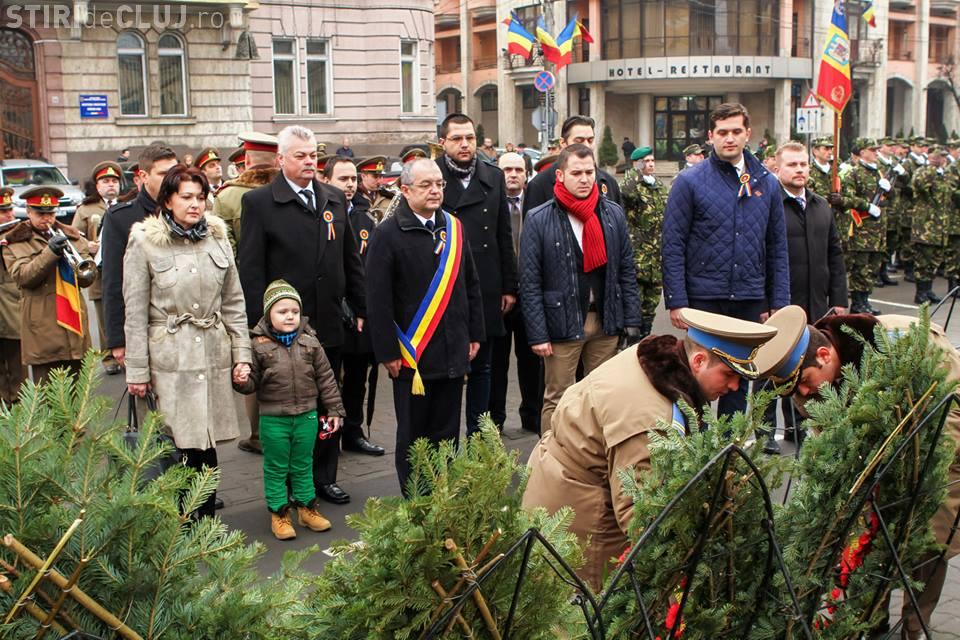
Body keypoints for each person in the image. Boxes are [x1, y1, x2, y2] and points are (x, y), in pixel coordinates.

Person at [522, 308, 779, 589]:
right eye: (729, 374)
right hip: (580, 518)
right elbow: (642, 516)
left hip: (560, 483)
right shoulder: (649, 420)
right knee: (590, 607)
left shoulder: (655, 360)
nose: (734, 386)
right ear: (698, 361)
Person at [788, 312, 960, 640]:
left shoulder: (907, 343)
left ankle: (914, 626)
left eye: (807, 382)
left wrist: (913, 471)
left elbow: (949, 414)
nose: (806, 392)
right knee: (860, 535)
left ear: (825, 356)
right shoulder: (807, 375)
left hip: (934, 448)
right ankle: (868, 623)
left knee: (929, 537)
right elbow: (827, 434)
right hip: (875, 458)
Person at [238, 125, 365, 506]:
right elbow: (252, 270)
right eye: (301, 156)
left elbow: (349, 258)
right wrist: (258, 327)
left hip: (328, 321)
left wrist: (360, 306)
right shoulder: (260, 202)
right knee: (291, 410)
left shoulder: (332, 197)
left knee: (328, 401)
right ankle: (292, 483)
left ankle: (324, 477)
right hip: (284, 328)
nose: (310, 162)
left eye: (313, 156)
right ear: (281, 160)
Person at [123, 165, 250, 520]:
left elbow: (234, 302)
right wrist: (137, 371)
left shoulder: (217, 237)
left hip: (211, 354)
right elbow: (134, 311)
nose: (195, 204)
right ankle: (174, 525)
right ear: (168, 200)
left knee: (206, 445)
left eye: (201, 197)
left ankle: (205, 522)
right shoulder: (144, 242)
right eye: (186, 197)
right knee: (174, 444)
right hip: (169, 360)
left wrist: (242, 354)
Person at [661, 102, 790, 417]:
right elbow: (673, 243)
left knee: (739, 378)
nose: (729, 138)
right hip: (704, 297)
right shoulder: (690, 182)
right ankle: (697, 441)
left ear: (748, 134)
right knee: (698, 375)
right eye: (722, 132)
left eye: (735, 131)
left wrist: (779, 302)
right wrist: (677, 300)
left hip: (748, 296)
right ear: (710, 136)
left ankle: (730, 444)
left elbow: (777, 246)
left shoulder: (767, 183)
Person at [366, 158, 484, 494]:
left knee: (447, 433)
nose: (435, 191)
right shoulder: (387, 234)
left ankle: (445, 496)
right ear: (405, 190)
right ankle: (415, 500)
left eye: (439, 184)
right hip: (412, 357)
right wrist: (387, 351)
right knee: (414, 436)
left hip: (453, 348)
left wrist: (475, 333)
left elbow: (470, 283)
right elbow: (377, 298)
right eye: (426, 185)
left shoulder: (454, 228)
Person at [520, 144, 641, 432]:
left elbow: (626, 270)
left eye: (589, 172)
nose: (585, 179)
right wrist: (538, 334)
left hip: (606, 321)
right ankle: (550, 455)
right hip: (561, 322)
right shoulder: (539, 218)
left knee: (602, 397)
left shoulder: (612, 214)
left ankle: (592, 454)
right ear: (560, 175)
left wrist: (632, 321)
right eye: (576, 173)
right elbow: (530, 281)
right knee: (558, 398)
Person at [234, 280, 344, 540]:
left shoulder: (310, 342)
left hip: (307, 416)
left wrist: (334, 410)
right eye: (282, 311)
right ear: (268, 315)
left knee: (303, 465)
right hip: (273, 420)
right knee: (276, 468)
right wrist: (241, 380)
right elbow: (251, 384)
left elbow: (327, 379)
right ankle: (279, 514)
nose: (290, 316)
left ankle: (307, 509)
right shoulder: (257, 345)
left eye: (295, 311)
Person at [436, 113, 518, 436]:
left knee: (484, 367)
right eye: (457, 138)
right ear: (443, 142)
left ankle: (479, 437)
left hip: (486, 285)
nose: (465, 144)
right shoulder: (434, 177)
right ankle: (445, 440)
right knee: (449, 370)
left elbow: (503, 236)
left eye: (469, 137)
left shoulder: (493, 176)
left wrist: (509, 286)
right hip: (445, 286)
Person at [321, 156, 384, 456]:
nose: (349, 185)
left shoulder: (364, 218)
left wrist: (365, 307)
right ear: (326, 180)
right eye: (342, 179)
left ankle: (353, 432)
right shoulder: (321, 213)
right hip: (331, 309)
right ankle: (327, 437)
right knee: (329, 379)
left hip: (360, 310)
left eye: (352, 179)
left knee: (358, 376)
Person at [2, 186, 94, 383]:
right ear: (28, 212)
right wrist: (50, 253)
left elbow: (86, 277)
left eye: (51, 214)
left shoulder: (72, 235)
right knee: (48, 394)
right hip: (43, 332)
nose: (47, 219)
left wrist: (85, 269)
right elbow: (23, 277)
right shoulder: (15, 242)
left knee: (80, 394)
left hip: (75, 328)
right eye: (40, 214)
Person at [101, 144, 179, 370]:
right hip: (147, 326)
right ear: (144, 176)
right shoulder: (121, 218)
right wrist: (118, 340)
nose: (171, 180)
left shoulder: (188, 211)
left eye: (175, 173)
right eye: (163, 174)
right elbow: (114, 281)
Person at [489, 152, 543, 434]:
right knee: (496, 363)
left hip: (531, 296)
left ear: (526, 175)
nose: (512, 174)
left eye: (518, 170)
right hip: (500, 296)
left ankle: (532, 416)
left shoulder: (538, 205)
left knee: (532, 361)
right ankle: (495, 420)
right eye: (507, 169)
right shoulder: (489, 205)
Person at [777, 141, 848, 321]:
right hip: (782, 305)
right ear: (777, 170)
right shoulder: (769, 205)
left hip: (817, 303)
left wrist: (838, 299)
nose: (799, 170)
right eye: (792, 165)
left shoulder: (821, 205)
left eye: (803, 164)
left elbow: (834, 254)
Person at [73, 161, 122, 375]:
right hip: (101, 272)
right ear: (97, 185)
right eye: (106, 181)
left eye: (114, 181)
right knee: (105, 315)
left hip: (125, 269)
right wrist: (87, 246)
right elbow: (74, 237)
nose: (111, 185)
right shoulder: (86, 209)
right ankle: (108, 356)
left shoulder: (126, 206)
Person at [838, 138, 892, 315]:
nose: (876, 153)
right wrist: (867, 206)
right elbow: (847, 198)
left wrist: (889, 190)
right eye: (872, 150)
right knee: (860, 268)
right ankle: (857, 303)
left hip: (878, 229)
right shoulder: (854, 173)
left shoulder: (879, 173)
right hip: (862, 230)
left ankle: (865, 300)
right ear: (862, 152)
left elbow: (888, 199)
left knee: (873, 268)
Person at [524, 116, 622, 213]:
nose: (587, 146)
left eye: (590, 140)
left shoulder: (609, 183)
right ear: (563, 143)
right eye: (579, 141)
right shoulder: (539, 185)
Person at [620, 145, 667, 337]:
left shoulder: (659, 186)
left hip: (656, 259)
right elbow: (625, 193)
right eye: (646, 161)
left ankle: (646, 336)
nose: (650, 164)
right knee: (634, 306)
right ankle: (630, 340)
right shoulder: (632, 185)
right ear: (637, 163)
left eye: (652, 160)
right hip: (638, 257)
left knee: (651, 304)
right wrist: (635, 171)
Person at [214, 132, 279, 255]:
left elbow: (226, 251)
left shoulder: (225, 197)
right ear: (277, 161)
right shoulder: (295, 191)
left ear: (247, 160)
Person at [910, 145, 955, 304]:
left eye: (943, 156)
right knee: (923, 260)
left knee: (935, 260)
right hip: (925, 227)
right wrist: (931, 167)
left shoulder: (945, 174)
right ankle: (920, 292)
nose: (942, 159)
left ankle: (928, 289)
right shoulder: (923, 171)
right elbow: (918, 184)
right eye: (939, 156)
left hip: (940, 226)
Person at [0, 188, 26, 403]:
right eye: (3, 211)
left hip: (11, 303)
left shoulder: (19, 233)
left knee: (18, 361)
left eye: (10, 210)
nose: (10, 215)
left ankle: (20, 403)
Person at [356, 156, 394, 222]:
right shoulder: (354, 195)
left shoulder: (388, 195)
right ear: (363, 176)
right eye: (375, 176)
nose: (379, 181)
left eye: (381, 176)